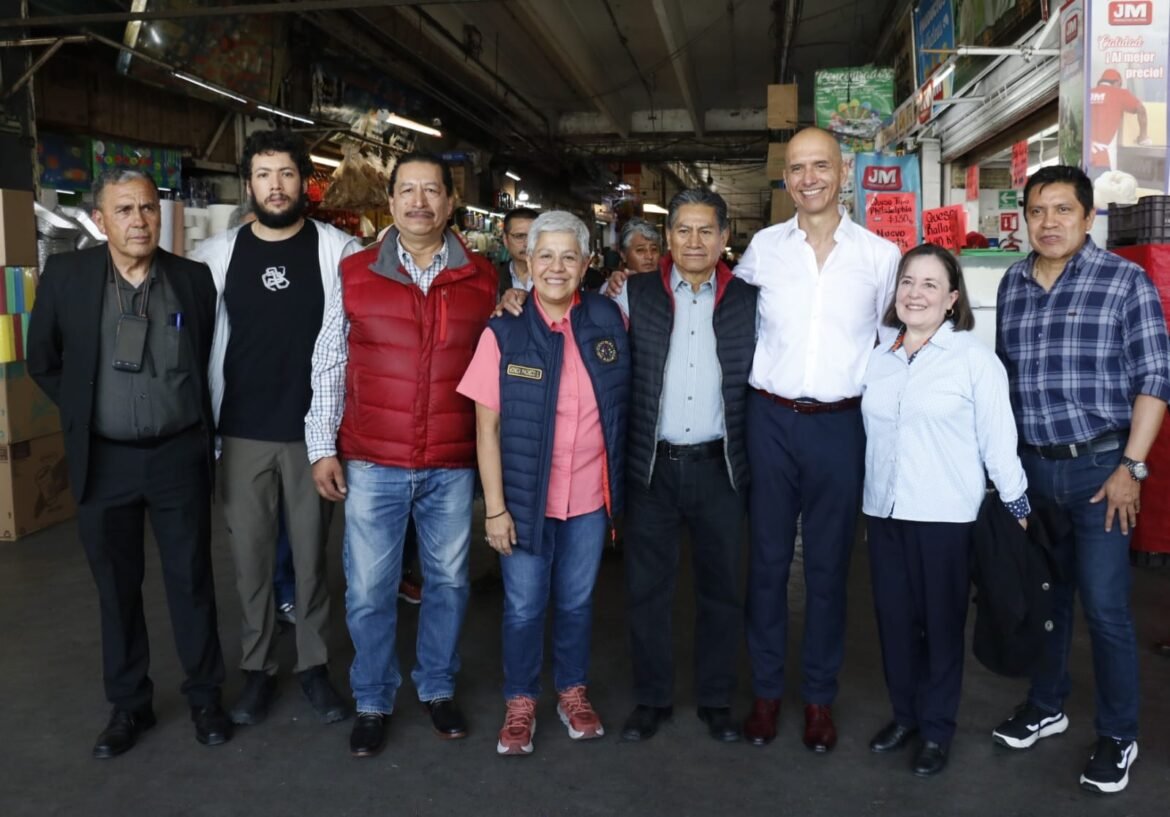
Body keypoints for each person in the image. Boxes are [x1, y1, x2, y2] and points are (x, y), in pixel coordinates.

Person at [27, 168, 231, 756]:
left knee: (191, 580)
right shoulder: (67, 277)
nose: (139, 220)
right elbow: (44, 360)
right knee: (115, 588)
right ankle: (129, 707)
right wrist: (86, 410)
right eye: (124, 210)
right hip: (105, 459)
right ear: (100, 220)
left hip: (177, 455)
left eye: (147, 208)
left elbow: (207, 356)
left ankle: (205, 698)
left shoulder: (192, 280)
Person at [306, 152, 498, 758]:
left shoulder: (484, 278)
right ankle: (373, 696)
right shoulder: (354, 272)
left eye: (432, 191)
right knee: (367, 588)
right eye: (407, 191)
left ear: (449, 203)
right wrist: (321, 447)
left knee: (447, 583)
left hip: (450, 462)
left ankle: (437, 686)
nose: (419, 202)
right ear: (390, 202)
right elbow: (331, 361)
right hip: (372, 459)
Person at [992, 165, 1170, 794]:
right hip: (1034, 468)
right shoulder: (1013, 283)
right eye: (1038, 211)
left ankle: (1119, 734)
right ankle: (1048, 705)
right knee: (1047, 599)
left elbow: (1156, 378)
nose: (1049, 223)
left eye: (1063, 210)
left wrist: (1132, 466)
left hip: (1101, 472)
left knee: (1105, 607)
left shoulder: (1126, 283)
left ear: (1088, 217)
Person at [733, 126, 900, 751]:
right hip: (769, 420)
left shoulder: (880, 258)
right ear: (787, 179)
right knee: (769, 563)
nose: (808, 178)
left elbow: (895, 342)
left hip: (841, 425)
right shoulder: (763, 249)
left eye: (820, 166)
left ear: (842, 171)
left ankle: (820, 700)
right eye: (797, 168)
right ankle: (769, 693)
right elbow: (726, 315)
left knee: (830, 568)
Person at [193, 129, 359, 727]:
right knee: (251, 560)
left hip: (314, 436)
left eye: (286, 173)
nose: (276, 185)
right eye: (264, 174)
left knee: (314, 560)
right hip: (240, 431)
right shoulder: (216, 255)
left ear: (303, 181)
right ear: (249, 184)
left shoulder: (338, 250)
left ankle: (314, 667)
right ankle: (257, 668)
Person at [458, 210, 629, 756]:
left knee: (577, 602)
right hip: (526, 503)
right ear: (527, 263)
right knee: (524, 606)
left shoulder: (608, 318)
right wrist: (495, 509)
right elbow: (487, 430)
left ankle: (572, 691)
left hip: (587, 500)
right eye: (545, 256)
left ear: (586, 263)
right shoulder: (504, 331)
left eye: (569, 255)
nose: (556, 267)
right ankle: (521, 700)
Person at [861, 244, 1029, 777]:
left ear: (953, 298)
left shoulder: (974, 360)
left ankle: (937, 730)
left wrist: (1016, 503)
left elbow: (998, 441)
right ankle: (905, 716)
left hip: (945, 518)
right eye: (908, 282)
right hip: (884, 511)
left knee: (939, 626)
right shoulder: (878, 353)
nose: (915, 294)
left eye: (930, 285)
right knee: (893, 622)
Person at [605, 189, 757, 745]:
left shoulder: (748, 300)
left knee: (721, 588)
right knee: (647, 589)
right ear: (668, 239)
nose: (694, 242)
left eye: (705, 231)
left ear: (723, 239)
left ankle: (716, 700)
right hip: (652, 467)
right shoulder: (632, 295)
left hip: (721, 467)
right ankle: (652, 699)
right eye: (683, 231)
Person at [1088, 69, 1150, 178]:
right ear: (1116, 82)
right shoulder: (1120, 93)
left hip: (1083, 158)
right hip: (1103, 161)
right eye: (1120, 85)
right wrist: (1143, 136)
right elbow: (1141, 110)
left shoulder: (1088, 93)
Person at [600, 218, 663, 295]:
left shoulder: (669, 283)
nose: (649, 256)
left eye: (654, 249)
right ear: (623, 255)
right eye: (640, 250)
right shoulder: (614, 288)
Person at [497, 206, 540, 297]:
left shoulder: (557, 278)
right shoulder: (493, 279)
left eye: (534, 236)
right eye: (520, 236)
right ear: (505, 240)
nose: (527, 244)